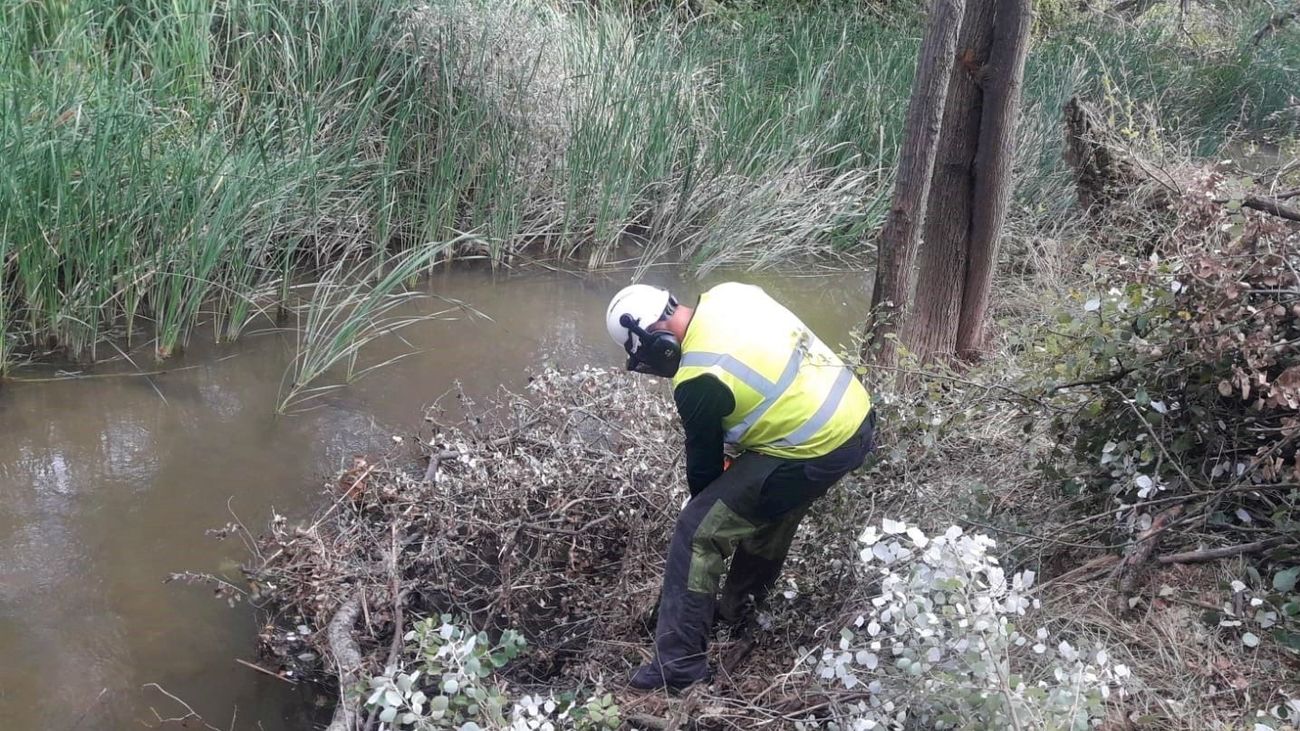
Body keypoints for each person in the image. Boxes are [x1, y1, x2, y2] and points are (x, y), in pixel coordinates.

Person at [604, 282, 876, 691]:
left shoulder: (698, 376)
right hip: (854, 418)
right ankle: (738, 611)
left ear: (656, 337)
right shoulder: (729, 294)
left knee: (697, 531)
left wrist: (710, 510)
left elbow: (704, 472)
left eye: (646, 355)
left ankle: (679, 666)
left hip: (815, 445)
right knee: (768, 506)